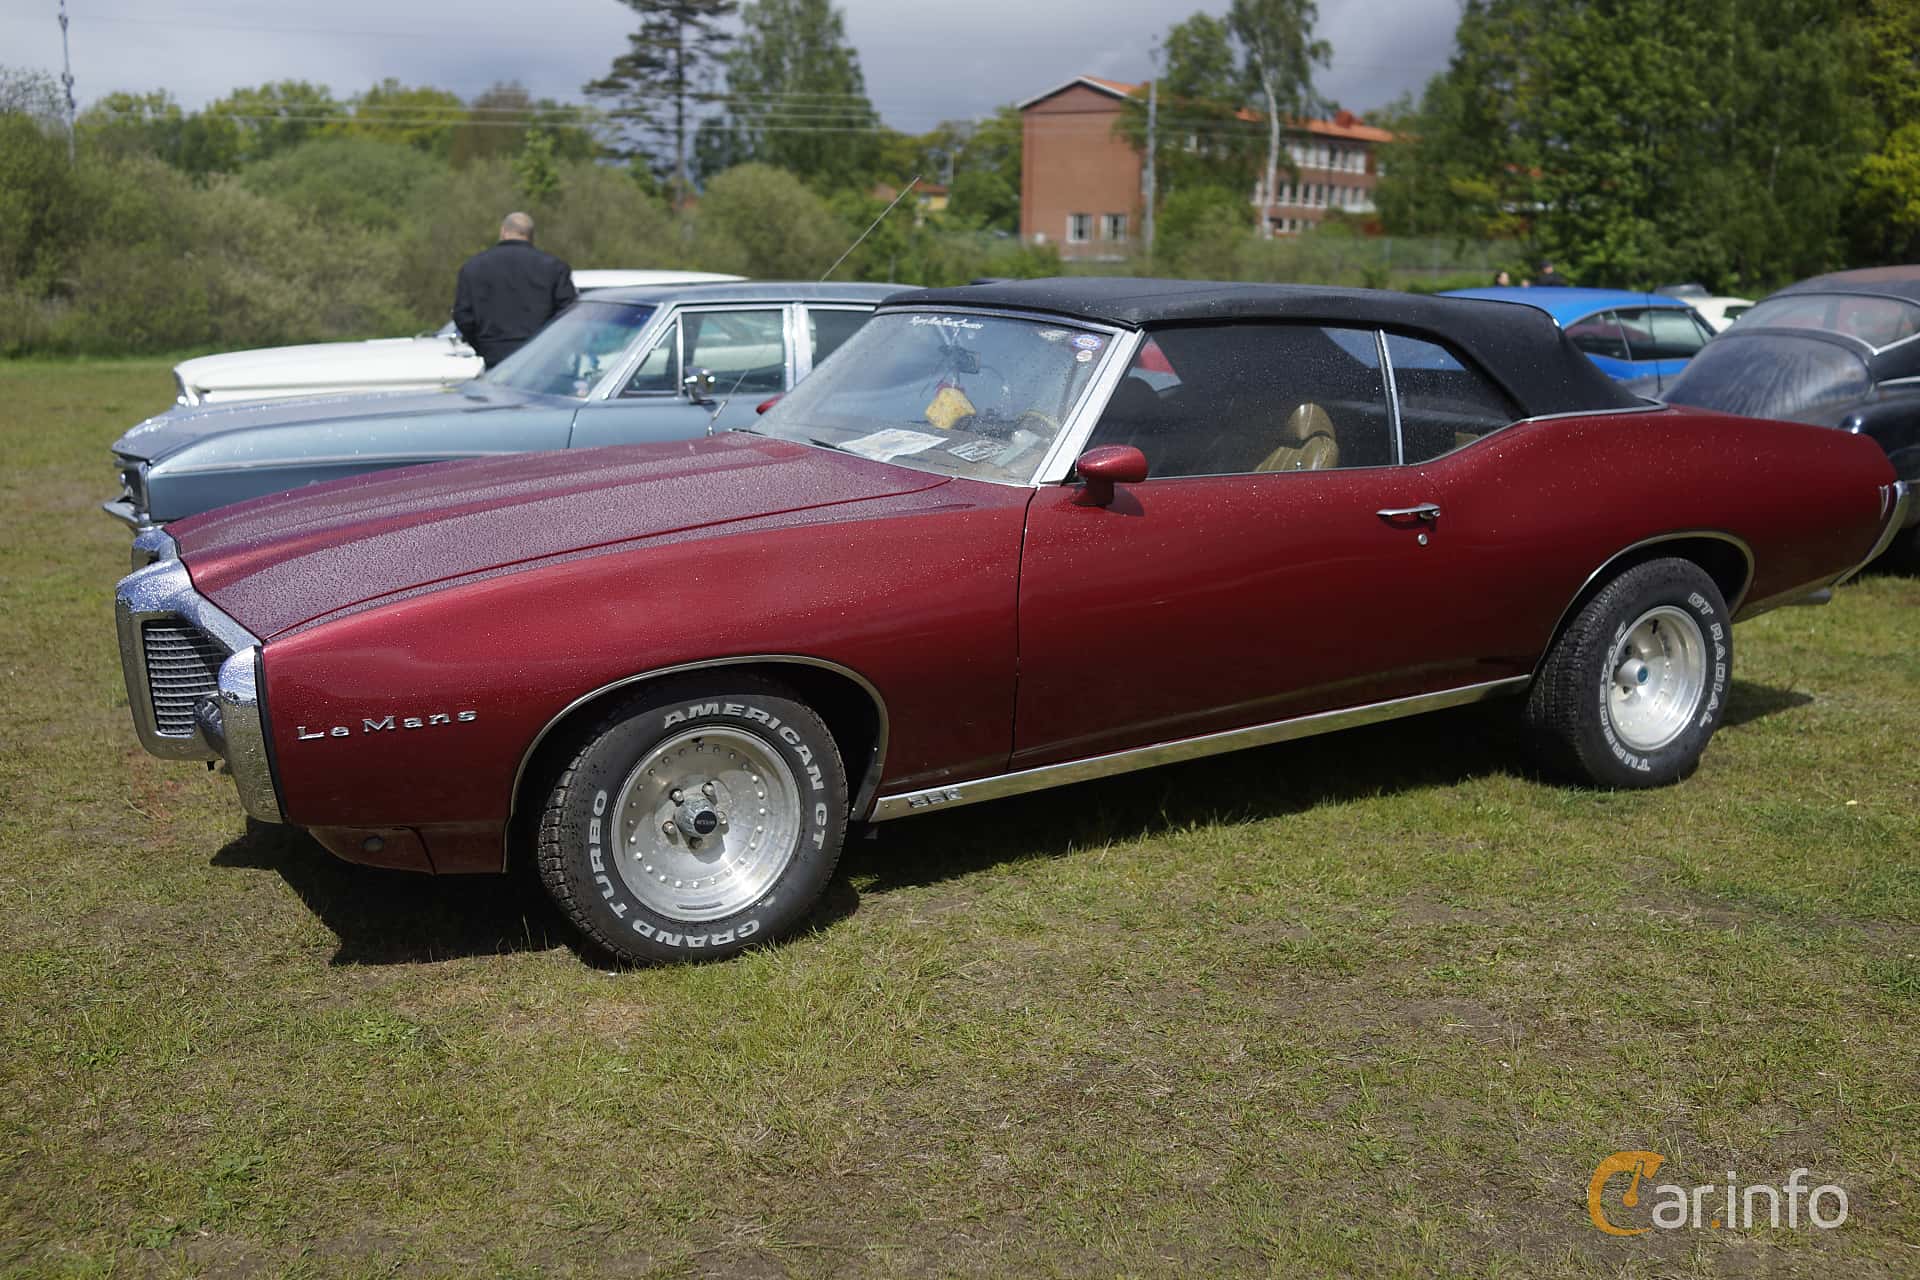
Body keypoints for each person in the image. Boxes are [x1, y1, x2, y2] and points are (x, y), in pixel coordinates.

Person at [452, 211, 578, 368]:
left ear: (503, 232)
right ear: (531, 236)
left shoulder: (473, 267)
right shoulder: (555, 268)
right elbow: (569, 315)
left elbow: (462, 315)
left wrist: (482, 345)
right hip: (543, 359)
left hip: (495, 356)